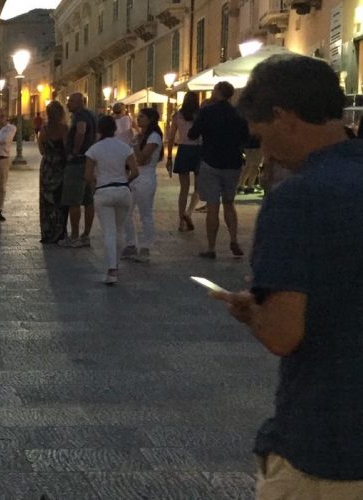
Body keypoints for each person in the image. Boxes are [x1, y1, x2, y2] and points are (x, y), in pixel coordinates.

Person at [207, 54, 363, 497]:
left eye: (261, 135)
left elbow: (282, 334)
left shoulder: (298, 199)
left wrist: (253, 313)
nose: (265, 151)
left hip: (328, 446)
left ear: (283, 116)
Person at [188, 81, 249, 259]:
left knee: (213, 207)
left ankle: (211, 247)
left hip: (211, 161)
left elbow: (193, 133)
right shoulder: (238, 113)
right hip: (233, 162)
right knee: (229, 203)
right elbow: (246, 137)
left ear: (217, 92)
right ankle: (233, 238)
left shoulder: (207, 111)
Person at [84, 116, 139, 285]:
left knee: (108, 231)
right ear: (115, 129)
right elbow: (135, 171)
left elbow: (87, 176)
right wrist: (124, 182)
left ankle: (111, 269)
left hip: (103, 191)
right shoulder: (125, 148)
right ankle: (116, 265)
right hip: (122, 190)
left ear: (99, 130)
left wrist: (98, 185)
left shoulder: (94, 150)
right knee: (120, 230)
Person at [121, 108, 162, 264]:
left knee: (145, 214)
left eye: (142, 117)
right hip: (134, 176)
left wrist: (136, 145)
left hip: (146, 177)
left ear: (150, 119)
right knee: (125, 210)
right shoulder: (140, 136)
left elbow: (143, 158)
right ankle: (131, 243)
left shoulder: (154, 137)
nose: (138, 119)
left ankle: (145, 247)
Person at [60, 93, 97, 248]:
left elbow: (81, 131)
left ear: (80, 102)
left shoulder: (80, 115)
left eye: (70, 101)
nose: (68, 104)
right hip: (89, 160)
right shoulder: (91, 115)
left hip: (77, 163)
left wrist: (74, 151)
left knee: (74, 200)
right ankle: (86, 235)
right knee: (88, 200)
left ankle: (74, 236)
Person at [167, 91, 202, 232]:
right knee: (198, 188)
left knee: (184, 189)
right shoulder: (200, 115)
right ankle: (189, 212)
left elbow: (170, 137)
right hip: (199, 150)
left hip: (183, 150)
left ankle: (181, 221)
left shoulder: (177, 116)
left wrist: (169, 157)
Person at [37, 101, 69, 244]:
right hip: (61, 167)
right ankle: (60, 232)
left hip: (47, 168)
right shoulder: (64, 129)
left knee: (47, 201)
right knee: (61, 200)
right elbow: (67, 148)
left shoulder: (44, 130)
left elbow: (41, 150)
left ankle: (47, 232)